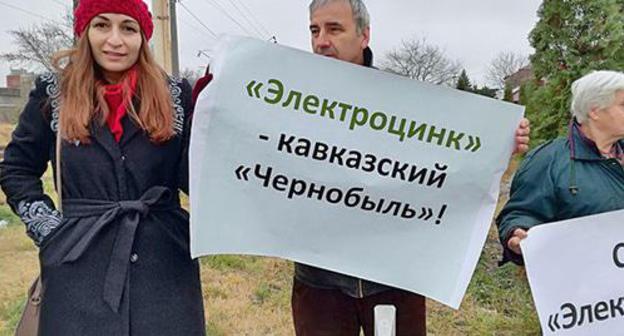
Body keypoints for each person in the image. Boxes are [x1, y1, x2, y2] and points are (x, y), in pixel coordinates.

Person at [290, 0, 531, 335]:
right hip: (319, 279)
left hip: (394, 277)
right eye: (314, 30)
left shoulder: (403, 102)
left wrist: (498, 143)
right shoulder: (291, 98)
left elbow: (448, 163)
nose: (321, 41)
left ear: (364, 35)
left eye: (334, 28)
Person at [0, 0, 205, 335]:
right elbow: (17, 169)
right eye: (102, 25)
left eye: (128, 28)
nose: (115, 40)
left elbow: (194, 177)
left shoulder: (175, 97)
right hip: (77, 264)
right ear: (85, 31)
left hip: (164, 267)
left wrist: (216, 115)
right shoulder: (54, 94)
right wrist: (49, 230)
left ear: (143, 36)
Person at [497, 70, 624, 266]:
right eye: (623, 105)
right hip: (585, 286)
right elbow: (520, 213)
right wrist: (518, 233)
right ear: (595, 111)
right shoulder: (550, 160)